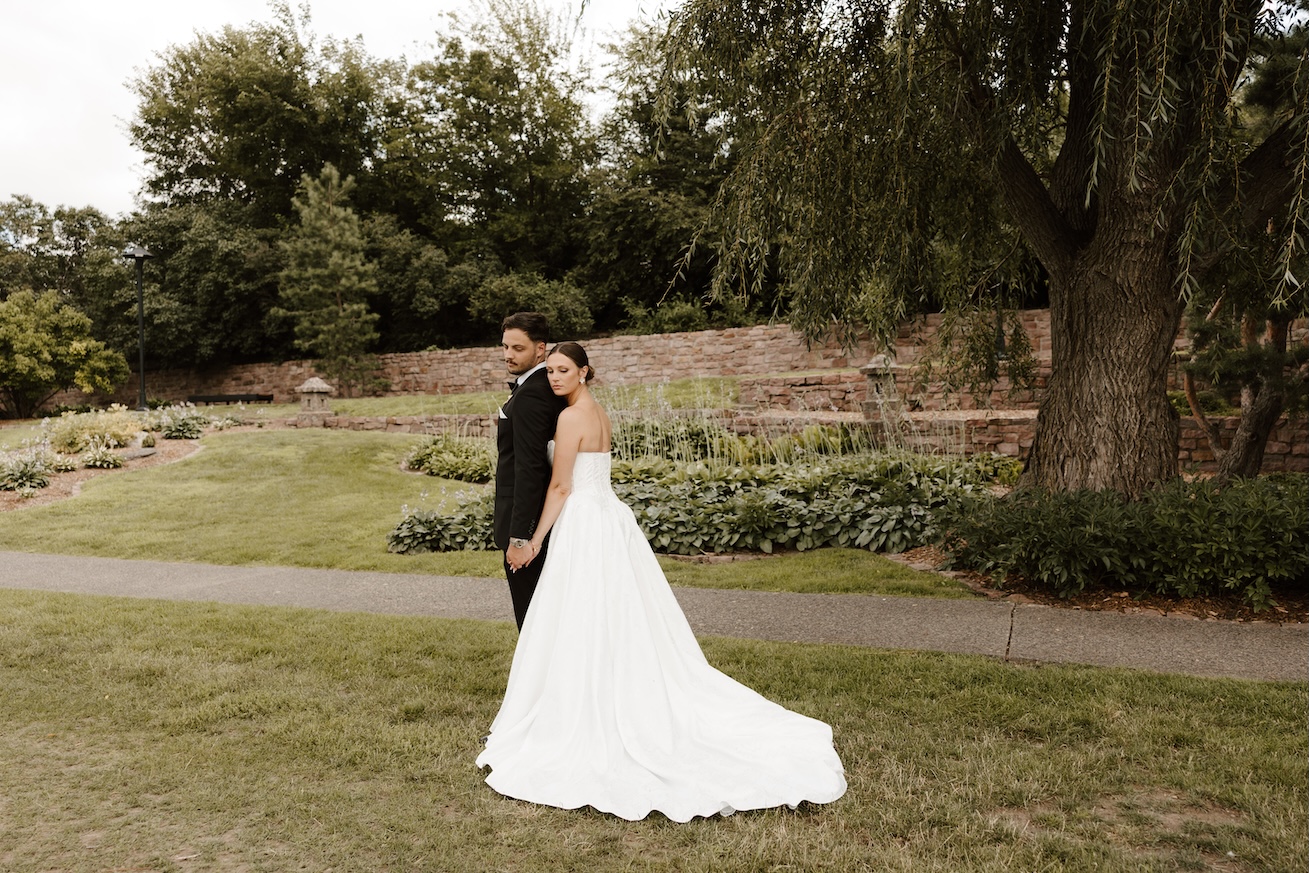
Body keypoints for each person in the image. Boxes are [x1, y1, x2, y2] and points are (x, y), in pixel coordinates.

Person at [478, 342, 847, 822]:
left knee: (582, 612)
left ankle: (586, 705)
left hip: (585, 522)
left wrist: (532, 540)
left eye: (564, 371)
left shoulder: (570, 419)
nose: (554, 379)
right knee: (614, 612)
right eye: (550, 372)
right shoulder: (598, 412)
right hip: (611, 517)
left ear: (585, 372)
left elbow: (562, 486)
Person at [495, 312, 568, 630]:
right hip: (544, 523)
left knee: (532, 617)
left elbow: (530, 469)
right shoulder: (541, 387)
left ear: (541, 349)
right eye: (505, 346)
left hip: (530, 527)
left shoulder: (533, 394)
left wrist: (521, 538)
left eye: (517, 348)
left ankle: (536, 680)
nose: (508, 355)